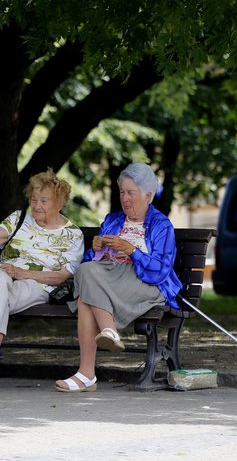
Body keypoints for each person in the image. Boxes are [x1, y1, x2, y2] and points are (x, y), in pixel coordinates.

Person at [55, 162, 182, 392]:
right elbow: (92, 262)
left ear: (148, 196)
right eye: (122, 192)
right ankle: (106, 337)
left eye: (131, 193)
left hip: (147, 282)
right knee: (86, 275)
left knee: (87, 293)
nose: (125, 198)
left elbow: (161, 270)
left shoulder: (161, 225)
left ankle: (87, 374)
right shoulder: (113, 220)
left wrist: (132, 250)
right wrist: (96, 249)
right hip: (111, 278)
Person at [0, 170, 84, 390]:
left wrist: (22, 273)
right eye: (33, 199)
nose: (36, 205)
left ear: (59, 202)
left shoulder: (72, 235)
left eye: (43, 200)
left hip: (37, 284)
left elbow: (62, 276)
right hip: (2, 279)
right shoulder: (20, 218)